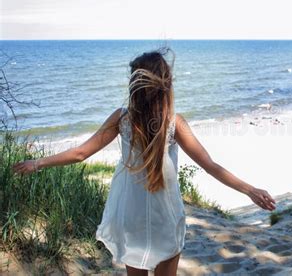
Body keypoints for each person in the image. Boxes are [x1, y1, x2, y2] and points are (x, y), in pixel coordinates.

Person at [12, 48, 276, 276]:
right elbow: (210, 165)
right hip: (166, 216)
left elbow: (81, 153)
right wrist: (250, 190)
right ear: (166, 84)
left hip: (131, 216)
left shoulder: (122, 119)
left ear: (135, 86)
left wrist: (37, 163)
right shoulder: (174, 123)